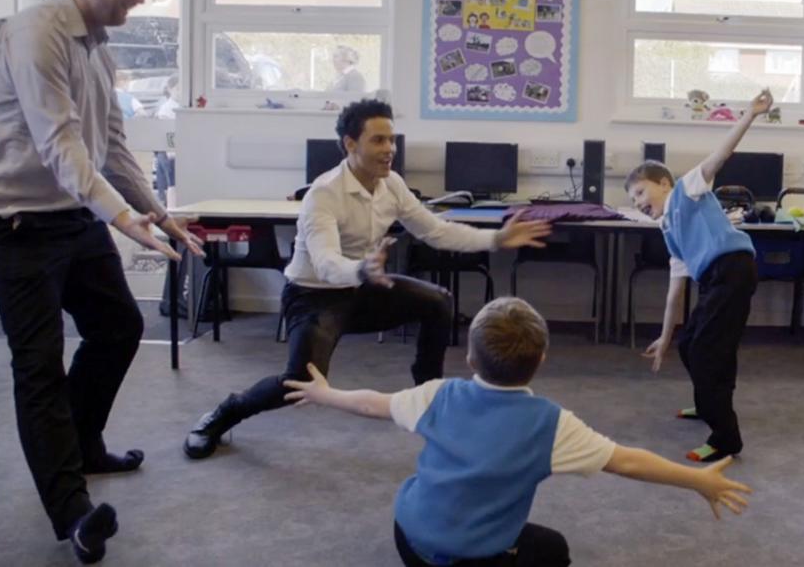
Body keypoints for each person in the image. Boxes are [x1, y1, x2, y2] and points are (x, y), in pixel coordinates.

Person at [183, 98, 552, 460]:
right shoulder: (323, 195)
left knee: (437, 301)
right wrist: (361, 269)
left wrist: (496, 239)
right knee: (298, 386)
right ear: (350, 144)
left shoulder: (391, 184)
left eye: (391, 139)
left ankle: (430, 400)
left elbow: (435, 231)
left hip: (362, 288)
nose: (389, 149)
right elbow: (326, 264)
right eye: (378, 140)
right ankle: (219, 417)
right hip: (314, 296)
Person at [0, 0, 204, 564]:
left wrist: (159, 214)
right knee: (39, 368)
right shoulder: (36, 35)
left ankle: (83, 445)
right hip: (17, 224)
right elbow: (60, 145)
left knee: (119, 326)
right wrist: (118, 216)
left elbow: (109, 142)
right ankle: (73, 514)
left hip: (74, 219)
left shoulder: (98, 49)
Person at [283, 297, 753, 566]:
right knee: (553, 550)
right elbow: (626, 460)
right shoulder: (552, 424)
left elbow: (371, 402)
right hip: (470, 559)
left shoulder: (437, 394)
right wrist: (697, 478)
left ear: (469, 360)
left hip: (408, 536)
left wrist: (325, 393)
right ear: (542, 361)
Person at [625, 90, 773, 463]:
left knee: (709, 352)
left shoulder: (687, 190)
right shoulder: (669, 230)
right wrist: (665, 335)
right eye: (632, 200)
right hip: (716, 280)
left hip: (733, 270)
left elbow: (720, 156)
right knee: (691, 343)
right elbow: (676, 290)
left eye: (641, 192)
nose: (639, 202)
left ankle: (726, 438)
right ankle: (707, 405)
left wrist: (751, 114)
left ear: (663, 182)